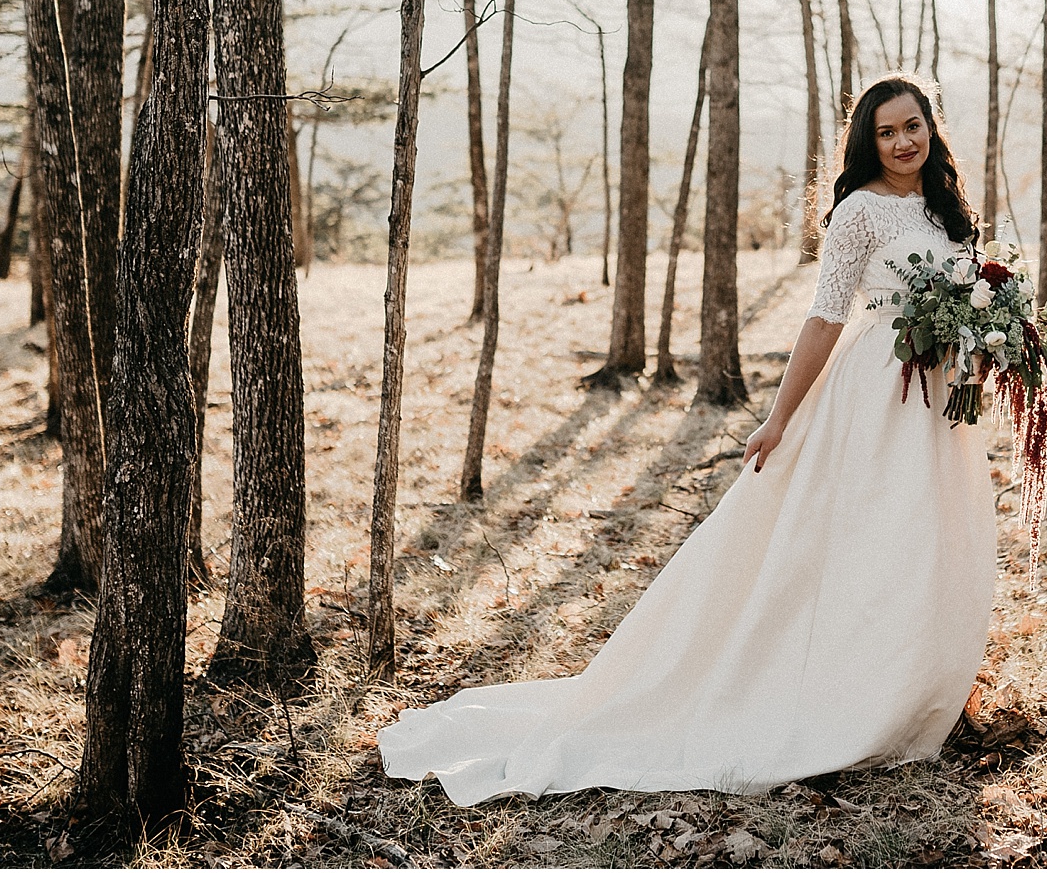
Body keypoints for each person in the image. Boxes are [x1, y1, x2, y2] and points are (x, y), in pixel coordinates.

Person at [378, 75, 998, 803]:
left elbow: (968, 295)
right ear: (867, 141)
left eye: (913, 125)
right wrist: (778, 417)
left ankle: (914, 689)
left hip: (937, 404)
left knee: (925, 543)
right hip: (871, 399)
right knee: (869, 541)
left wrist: (989, 339)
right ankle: (848, 697)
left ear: (932, 127)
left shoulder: (946, 209)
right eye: (887, 131)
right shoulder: (858, 212)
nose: (903, 141)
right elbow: (825, 317)